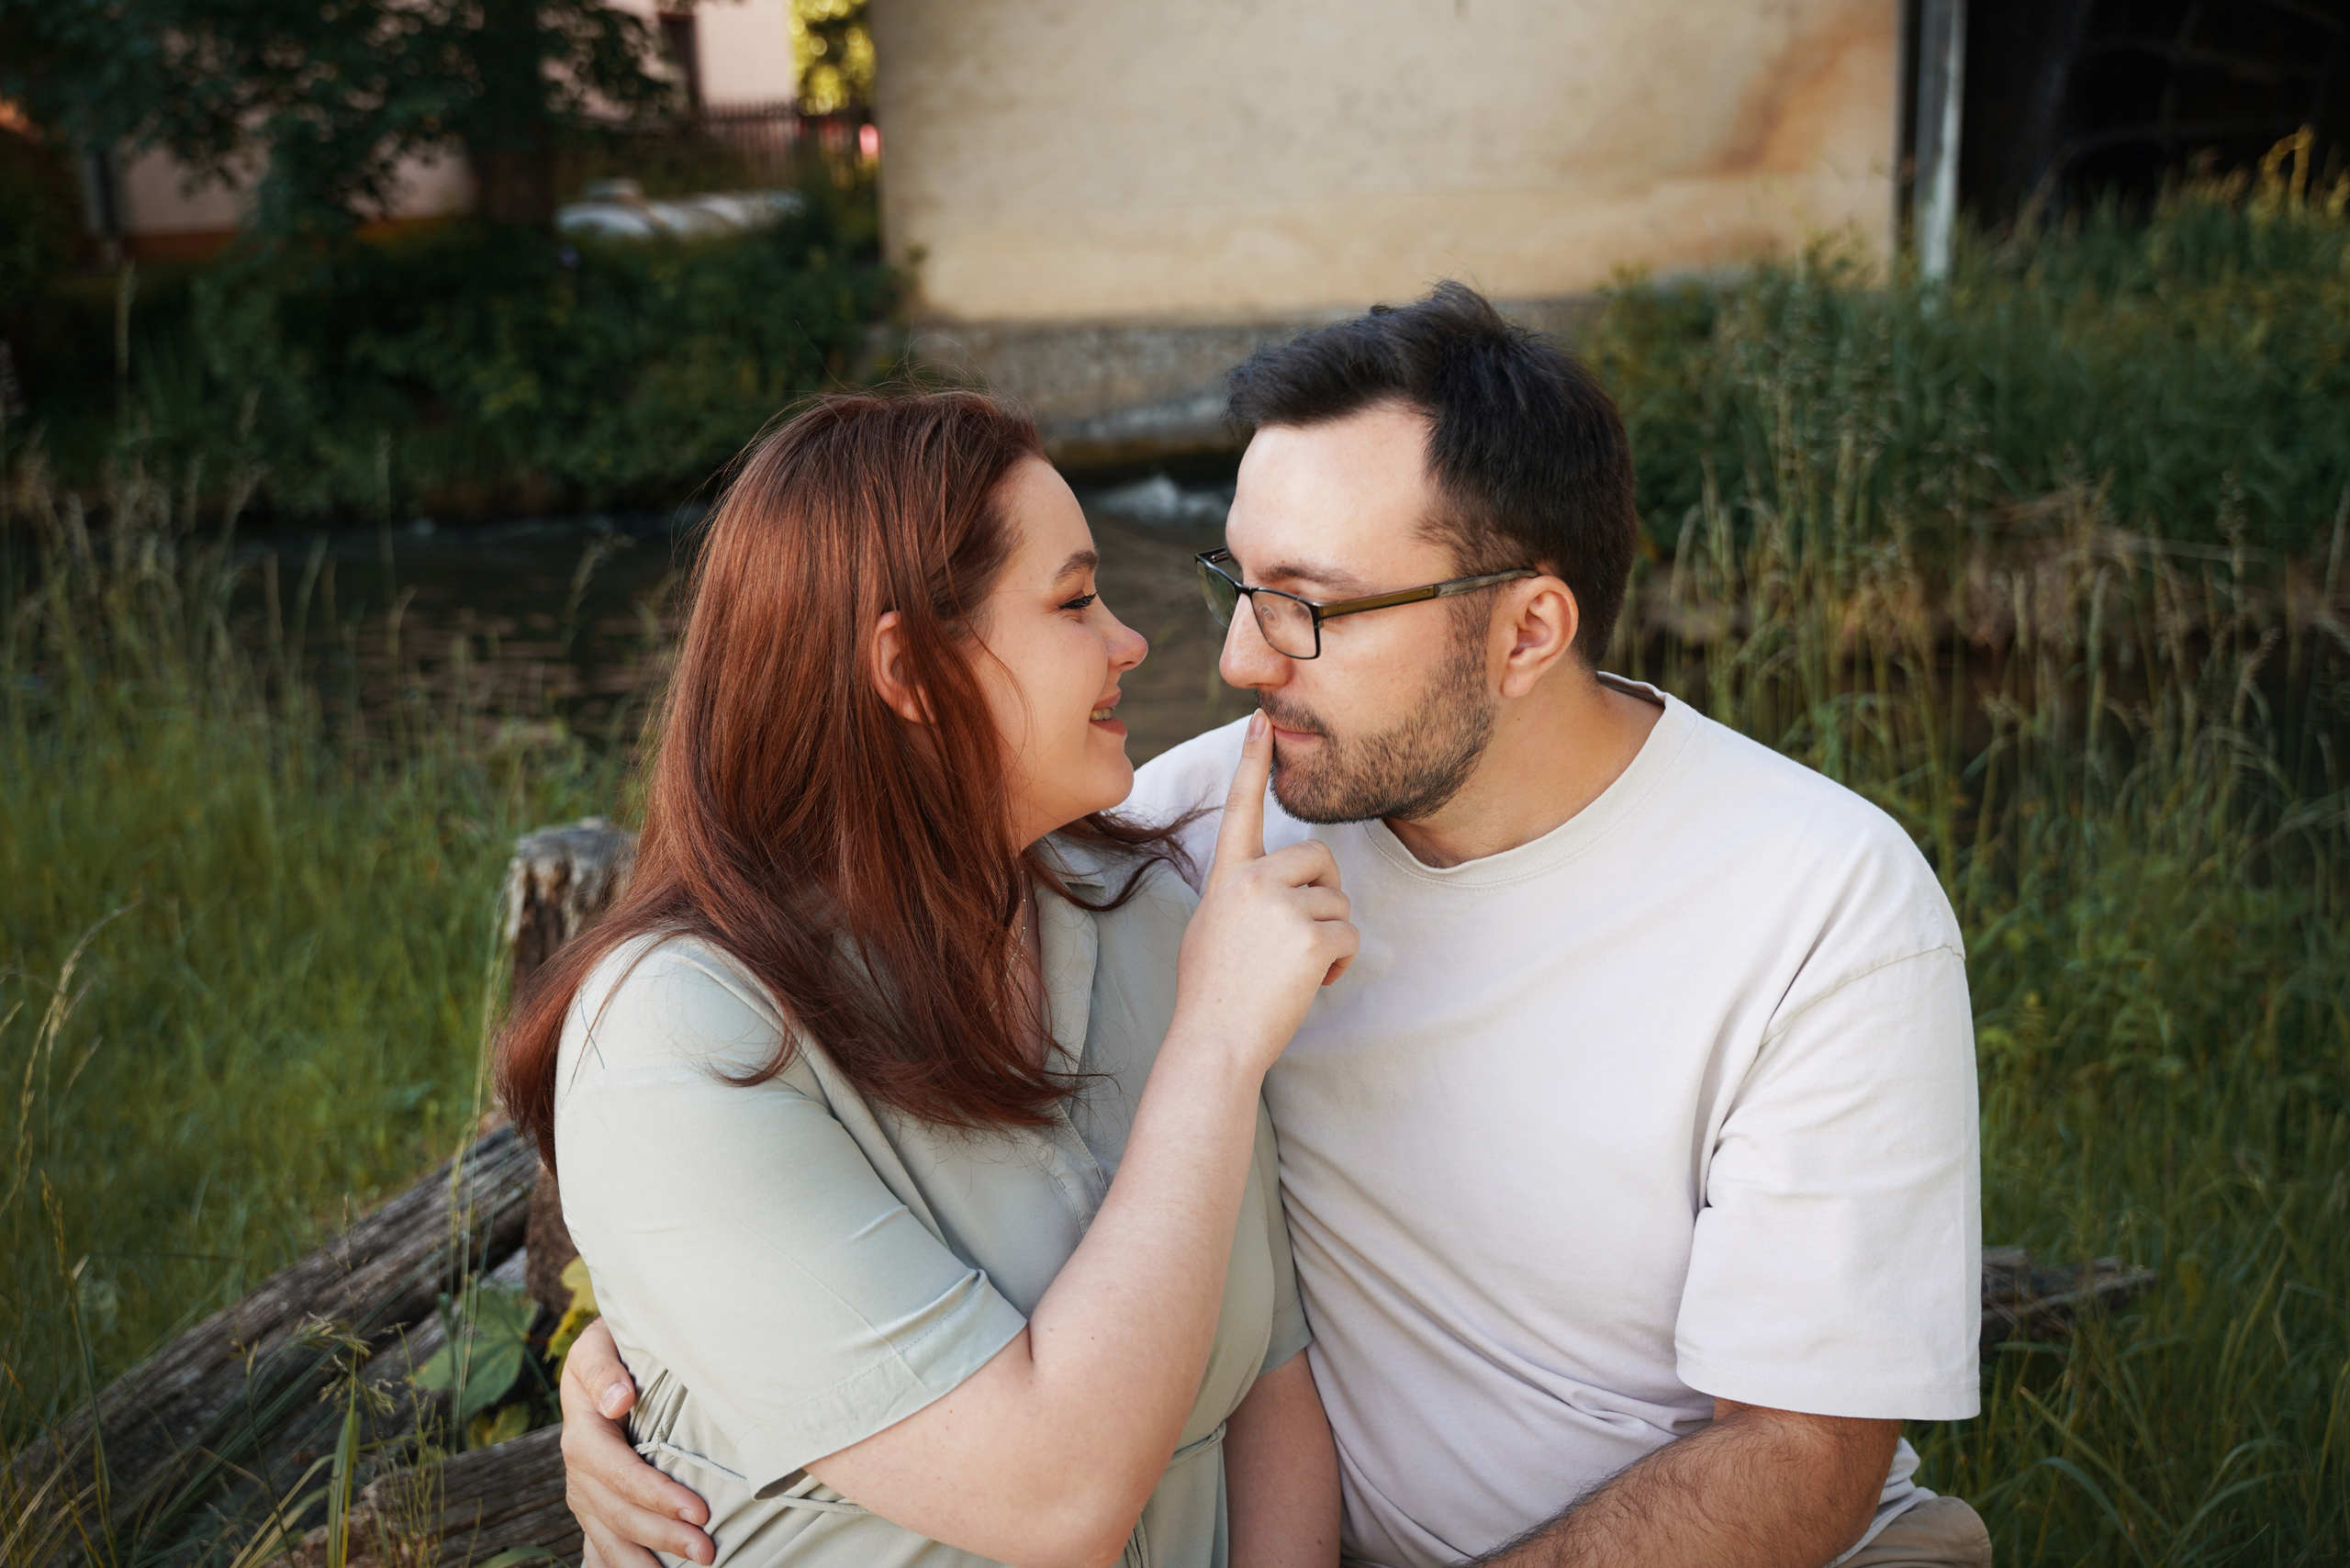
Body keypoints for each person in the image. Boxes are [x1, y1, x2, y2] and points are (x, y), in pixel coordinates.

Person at [559, 285, 1989, 1567]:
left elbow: (1806, 1455)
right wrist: (662, 1353)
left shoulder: (1821, 903)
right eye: (1234, 586)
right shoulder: (1195, 843)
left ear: (1530, 632)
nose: (1239, 661)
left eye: (1308, 607)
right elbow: (779, 1138)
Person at [497, 391, 1361, 1568]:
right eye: (1072, 601)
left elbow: (1270, 1388)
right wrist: (1213, 1046)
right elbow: (1052, 1498)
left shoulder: (1158, 920)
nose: (1132, 641)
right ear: (904, 666)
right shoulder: (676, 1037)